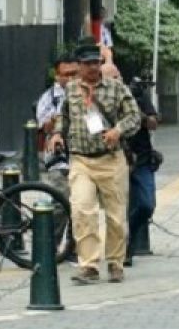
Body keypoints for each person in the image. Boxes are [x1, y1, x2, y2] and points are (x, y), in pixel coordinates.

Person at [46, 38, 141, 285]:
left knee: (116, 216)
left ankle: (115, 262)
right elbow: (63, 116)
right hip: (81, 160)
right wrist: (57, 134)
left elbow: (134, 117)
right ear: (79, 66)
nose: (92, 68)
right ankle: (88, 264)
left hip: (111, 159)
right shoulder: (71, 90)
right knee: (82, 210)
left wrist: (117, 131)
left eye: (96, 63)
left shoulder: (116, 88)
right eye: (87, 64)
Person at [124, 74, 159, 268]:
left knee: (146, 204)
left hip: (142, 158)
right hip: (114, 158)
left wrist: (139, 114)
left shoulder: (137, 96)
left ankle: (129, 235)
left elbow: (153, 123)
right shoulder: (102, 97)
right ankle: (122, 249)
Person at [37, 55, 78, 134]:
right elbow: (45, 130)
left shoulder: (90, 92)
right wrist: (53, 120)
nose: (71, 79)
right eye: (67, 75)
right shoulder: (48, 98)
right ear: (57, 76)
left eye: (74, 74)